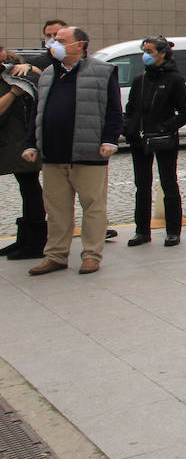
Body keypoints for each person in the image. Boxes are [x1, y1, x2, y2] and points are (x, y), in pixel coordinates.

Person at [22, 26, 122, 275]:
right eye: (53, 39)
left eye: (60, 40)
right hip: (53, 155)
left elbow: (114, 110)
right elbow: (37, 112)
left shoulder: (103, 71)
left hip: (88, 153)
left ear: (80, 45)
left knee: (93, 208)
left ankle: (91, 255)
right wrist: (30, 143)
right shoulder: (47, 74)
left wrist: (109, 139)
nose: (53, 43)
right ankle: (55, 255)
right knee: (56, 210)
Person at [123, 36, 186, 247]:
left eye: (150, 51)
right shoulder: (139, 79)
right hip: (140, 140)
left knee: (169, 183)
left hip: (163, 140)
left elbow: (185, 113)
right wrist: (129, 128)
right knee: (141, 186)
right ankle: (142, 231)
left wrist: (165, 127)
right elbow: (131, 109)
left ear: (162, 53)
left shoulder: (174, 79)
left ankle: (173, 231)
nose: (145, 54)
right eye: (144, 50)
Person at [0, 45, 45, 260]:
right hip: (10, 141)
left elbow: (40, 78)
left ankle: (34, 243)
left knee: (30, 188)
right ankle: (25, 239)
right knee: (27, 188)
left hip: (23, 141)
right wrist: (14, 91)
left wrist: (29, 69)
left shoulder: (14, 72)